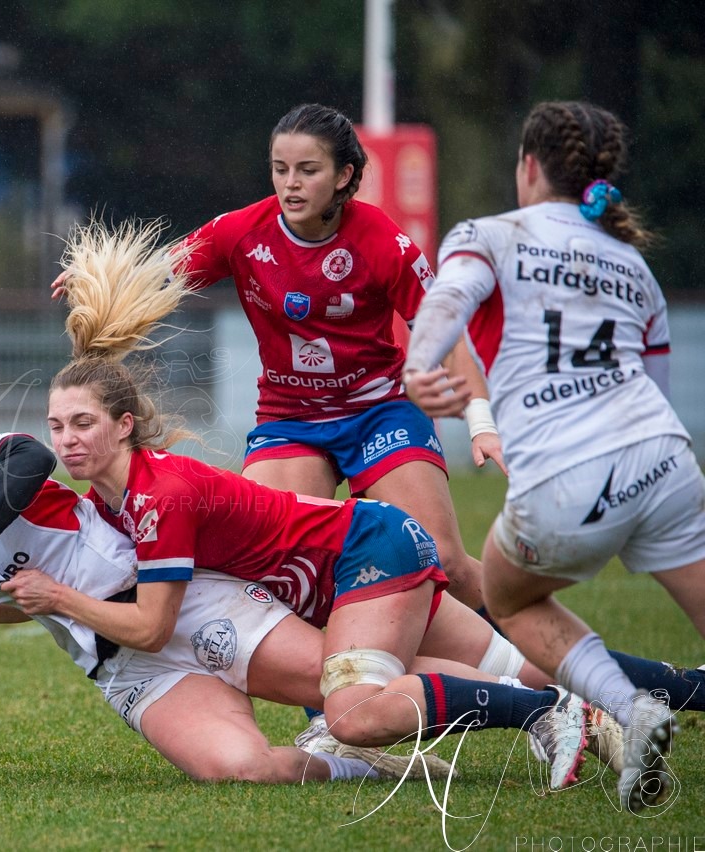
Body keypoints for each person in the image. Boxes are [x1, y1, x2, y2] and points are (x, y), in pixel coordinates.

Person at [0, 218, 687, 801]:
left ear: (123, 426)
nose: (63, 440)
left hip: (367, 554)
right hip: (355, 557)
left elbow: (150, 627)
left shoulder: (161, 496)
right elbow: (178, 262)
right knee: (522, 662)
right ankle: (667, 694)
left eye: (81, 424)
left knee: (354, 709)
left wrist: (479, 417)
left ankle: (554, 715)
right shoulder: (112, 502)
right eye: (57, 427)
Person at [0, 328, 462, 785]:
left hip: (172, 599)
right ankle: (357, 767)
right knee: (238, 770)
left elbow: (33, 456)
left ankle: (527, 692)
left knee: (358, 687)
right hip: (122, 664)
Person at [403, 100, 694, 813]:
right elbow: (653, 383)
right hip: (667, 463)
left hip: (567, 477)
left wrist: (419, 367)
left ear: (528, 168)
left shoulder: (491, 234)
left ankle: (629, 707)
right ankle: (636, 708)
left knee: (510, 596)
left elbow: (448, 300)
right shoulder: (632, 262)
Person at [153, 103, 501, 614]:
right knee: (275, 562)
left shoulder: (387, 242)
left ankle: (540, 652)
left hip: (380, 411)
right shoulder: (241, 232)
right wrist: (95, 282)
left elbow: (448, 336)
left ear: (345, 176)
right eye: (280, 169)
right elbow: (154, 273)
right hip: (291, 419)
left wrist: (480, 422)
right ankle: (339, 687)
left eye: (307, 170)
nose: (290, 184)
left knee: (440, 556)